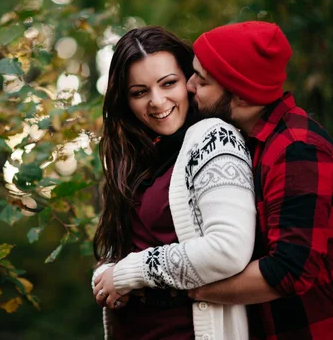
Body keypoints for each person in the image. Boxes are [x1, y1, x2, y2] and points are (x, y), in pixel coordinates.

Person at [184, 21, 333, 339]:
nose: (189, 85)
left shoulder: (298, 149)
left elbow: (289, 271)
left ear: (240, 94)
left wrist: (191, 290)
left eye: (203, 80)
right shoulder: (246, 143)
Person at [92, 26, 256, 340]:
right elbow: (120, 249)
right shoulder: (137, 158)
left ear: (190, 81)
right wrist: (103, 277)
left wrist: (128, 274)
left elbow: (228, 250)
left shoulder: (214, 138)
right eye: (139, 92)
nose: (157, 101)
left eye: (169, 83)